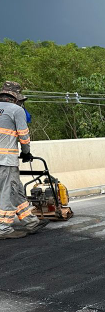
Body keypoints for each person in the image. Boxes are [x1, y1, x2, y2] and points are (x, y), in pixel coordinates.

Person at [0, 81, 47, 239]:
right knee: (8, 192)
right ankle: (3, 228)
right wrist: (26, 153)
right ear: (16, 97)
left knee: (17, 190)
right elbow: (24, 137)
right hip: (5, 160)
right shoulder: (16, 110)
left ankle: (30, 221)